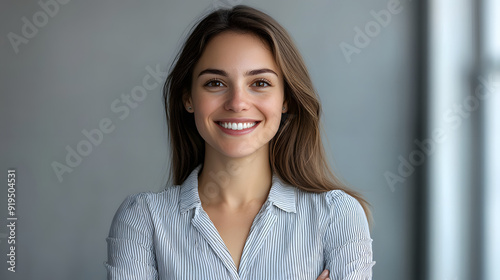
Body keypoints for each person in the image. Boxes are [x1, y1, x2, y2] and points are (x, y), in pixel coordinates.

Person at [105, 5, 375, 279]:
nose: (237, 103)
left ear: (285, 99)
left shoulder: (337, 216)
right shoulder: (142, 220)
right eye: (215, 83)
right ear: (188, 98)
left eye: (259, 83)